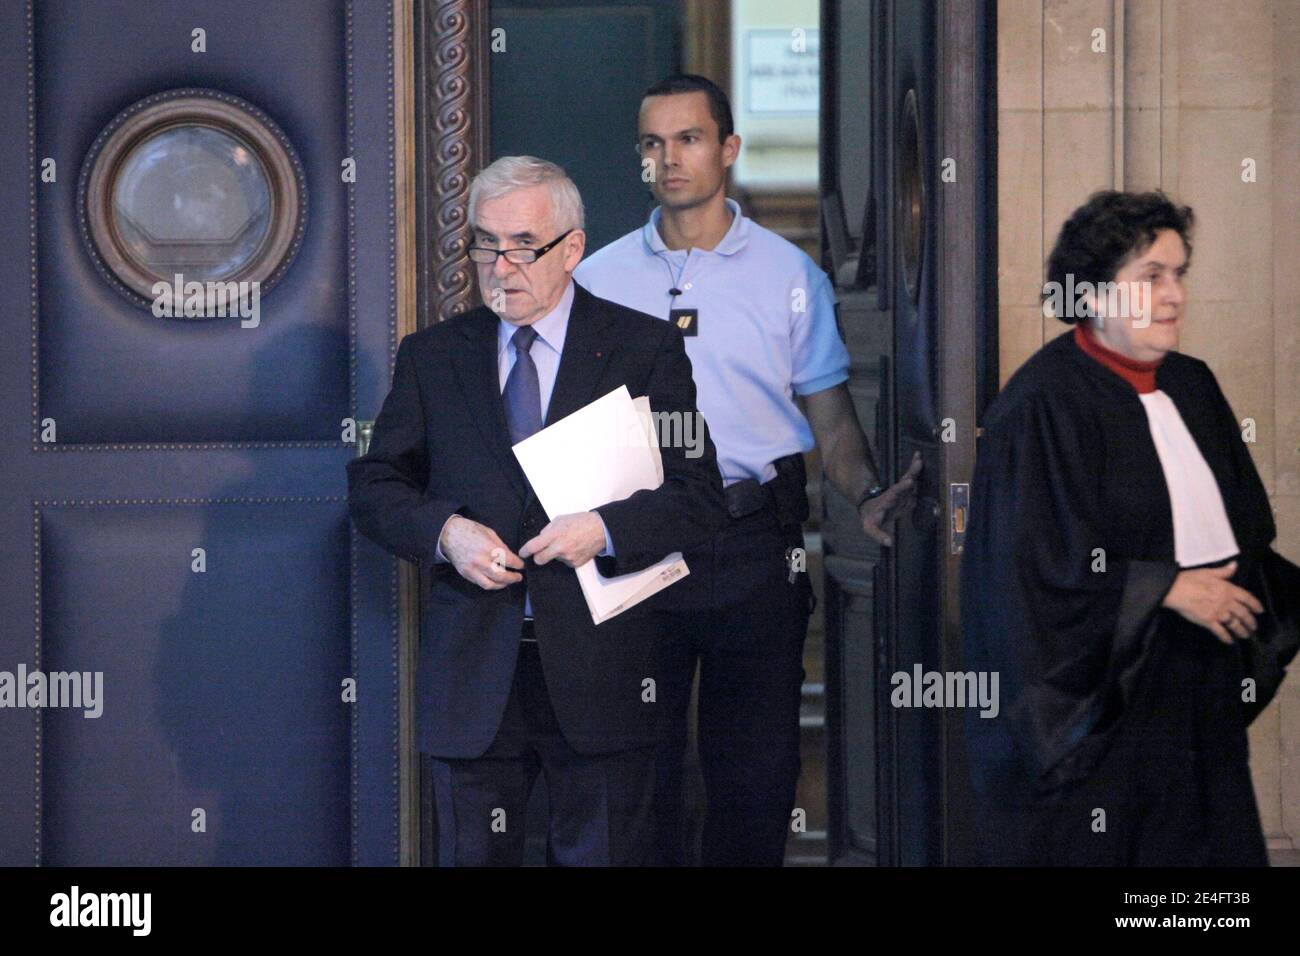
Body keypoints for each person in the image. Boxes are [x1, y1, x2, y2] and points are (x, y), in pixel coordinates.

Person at [574, 74, 921, 866]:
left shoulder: (789, 278)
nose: (670, 159)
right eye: (653, 144)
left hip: (749, 544)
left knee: (754, 779)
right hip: (635, 542)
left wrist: (865, 497)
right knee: (637, 776)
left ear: (727, 149)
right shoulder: (597, 278)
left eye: (688, 139)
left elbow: (829, 422)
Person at [347, 155, 724, 866]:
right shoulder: (433, 356)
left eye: (524, 246)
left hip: (604, 674)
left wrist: (604, 530)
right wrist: (446, 533)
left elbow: (698, 495)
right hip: (474, 675)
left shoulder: (643, 349)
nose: (500, 265)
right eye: (485, 243)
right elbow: (375, 487)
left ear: (572, 249)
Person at [961, 189, 1294, 865]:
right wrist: (1165, 589)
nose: (1173, 295)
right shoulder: (1041, 405)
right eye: (1150, 277)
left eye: (1179, 275)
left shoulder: (1194, 385)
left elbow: (1247, 530)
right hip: (1101, 703)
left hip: (1197, 686)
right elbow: (1026, 578)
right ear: (1092, 294)